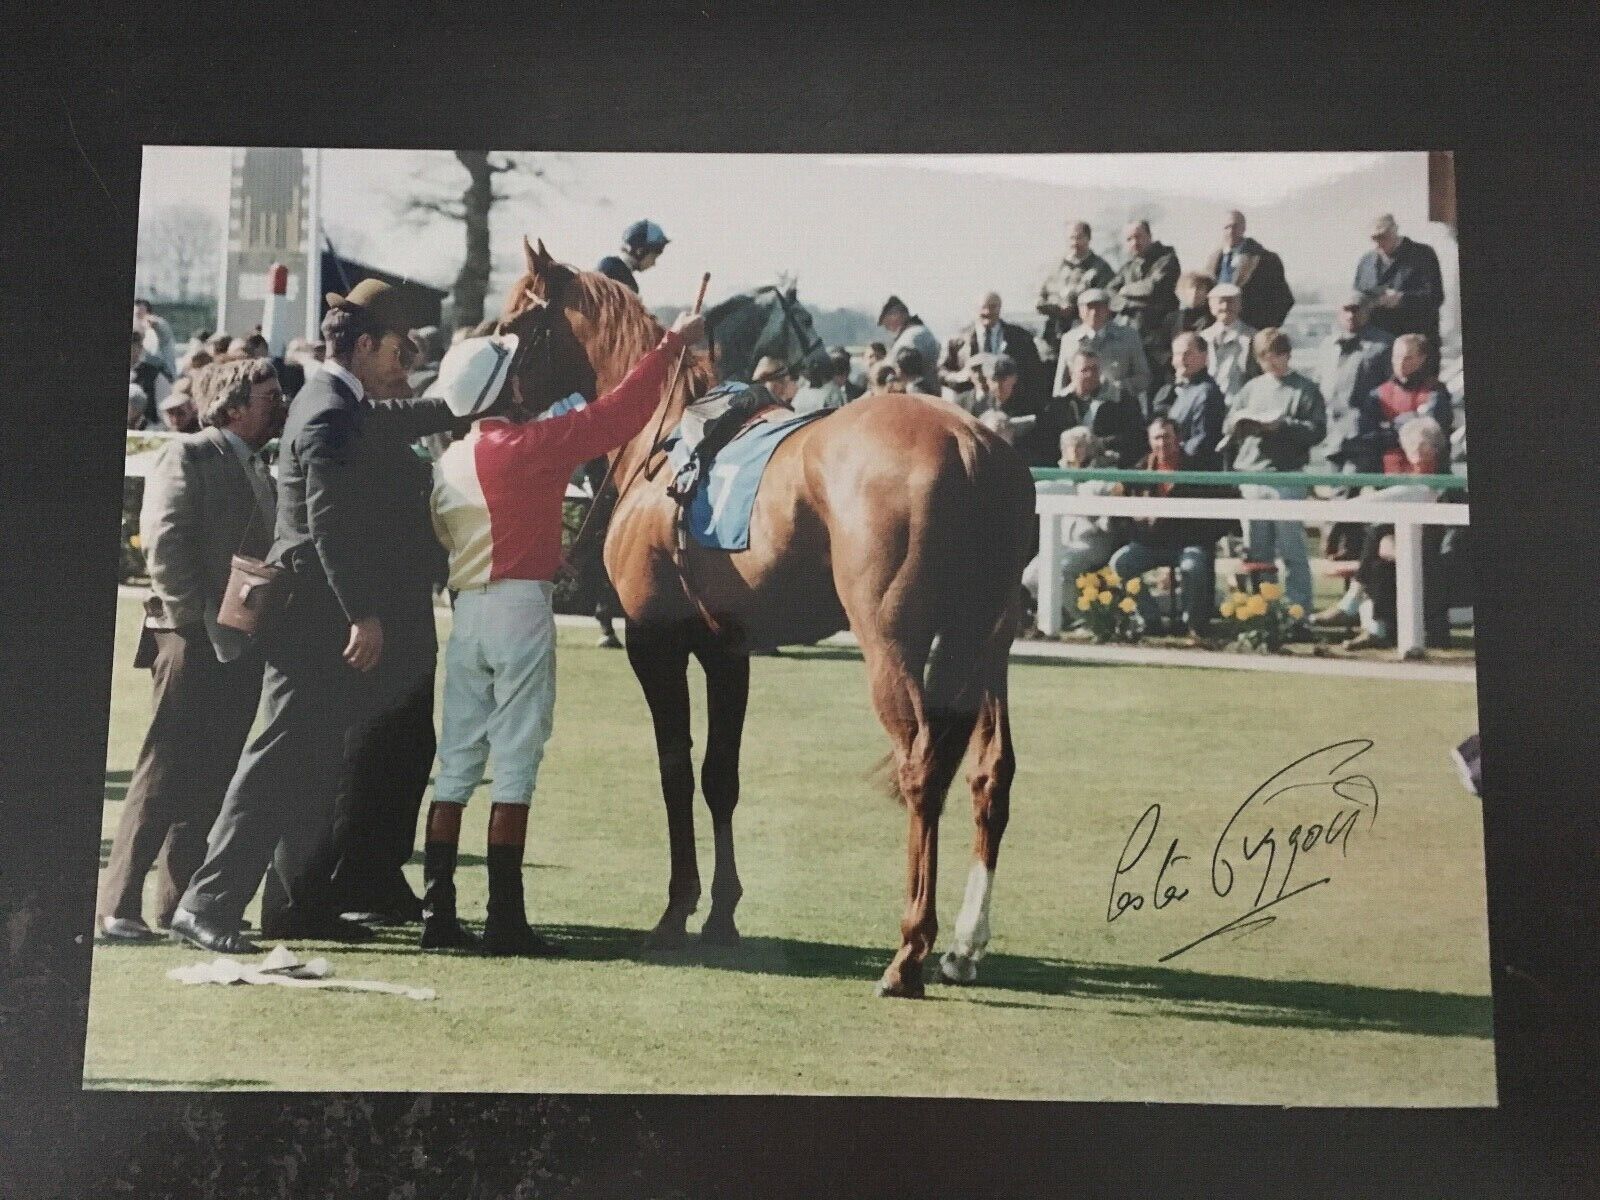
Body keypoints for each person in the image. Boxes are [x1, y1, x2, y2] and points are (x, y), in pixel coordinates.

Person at [169, 279, 466, 955]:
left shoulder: (333, 399)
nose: (405, 356)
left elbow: (395, 420)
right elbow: (327, 528)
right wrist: (363, 615)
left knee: (309, 764)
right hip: (313, 619)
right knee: (275, 761)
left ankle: (295, 906)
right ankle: (207, 903)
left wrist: (471, 403)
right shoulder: (333, 409)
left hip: (314, 616)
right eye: (396, 347)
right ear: (365, 346)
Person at [423, 313, 708, 953]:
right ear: (506, 389)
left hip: (466, 613)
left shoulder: (449, 461)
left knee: (457, 763)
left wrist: (541, 548)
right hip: (520, 612)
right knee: (517, 761)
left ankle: (438, 916)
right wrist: (669, 347)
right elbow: (619, 414)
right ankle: (504, 920)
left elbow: (455, 538)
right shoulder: (532, 445)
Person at [97, 360, 284, 941]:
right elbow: (165, 542)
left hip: (237, 641)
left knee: (211, 774)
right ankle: (115, 906)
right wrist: (191, 627)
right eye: (269, 396)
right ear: (232, 406)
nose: (280, 404)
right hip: (188, 639)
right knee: (164, 767)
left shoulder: (263, 468)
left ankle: (178, 904)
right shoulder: (189, 455)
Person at [1220, 327, 1328, 619]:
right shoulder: (1251, 388)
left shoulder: (1305, 389)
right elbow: (1229, 423)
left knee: (1292, 548)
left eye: (1277, 356)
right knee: (1257, 551)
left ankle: (1298, 609)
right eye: (1265, 358)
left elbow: (1317, 431)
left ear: (1287, 354)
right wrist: (1241, 426)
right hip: (1251, 474)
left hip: (1286, 475)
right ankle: (1262, 608)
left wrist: (1282, 426)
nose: (1272, 363)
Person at [1108, 417, 1232, 636]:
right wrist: (1136, 522)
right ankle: (1150, 619)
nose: (1162, 443)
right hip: (1151, 545)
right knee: (1121, 563)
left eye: (1167, 437)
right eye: (1157, 437)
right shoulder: (1140, 470)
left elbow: (1223, 513)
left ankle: (1193, 624)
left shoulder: (1197, 468)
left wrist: (1201, 536)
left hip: (1189, 545)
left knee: (1193, 566)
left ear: (1178, 439)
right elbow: (1116, 505)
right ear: (1149, 441)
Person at [1344, 417, 1454, 651]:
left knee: (1379, 543)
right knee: (1380, 555)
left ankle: (1357, 602)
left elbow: (1449, 536)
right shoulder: (1413, 482)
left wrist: (1397, 546)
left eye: (1413, 447)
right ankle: (1377, 626)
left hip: (1441, 557)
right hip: (1409, 548)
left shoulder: (1446, 484)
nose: (1409, 454)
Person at [1021, 427, 1120, 629]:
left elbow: (1110, 514)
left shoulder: (1105, 473)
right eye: (1068, 446)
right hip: (1062, 541)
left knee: (1062, 571)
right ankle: (1058, 617)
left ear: (1090, 448)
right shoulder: (1058, 476)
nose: (1073, 450)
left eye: (1079, 445)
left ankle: (1090, 622)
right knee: (1030, 577)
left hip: (1092, 540)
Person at [1344, 334, 1454, 475]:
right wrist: (1410, 423)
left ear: (1421, 359)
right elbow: (1367, 436)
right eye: (1397, 357)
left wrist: (1390, 427)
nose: (1401, 363)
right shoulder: (1378, 394)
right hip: (1390, 473)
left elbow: (1432, 431)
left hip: (1431, 474)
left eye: (1408, 358)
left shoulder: (1435, 391)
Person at [1026, 348, 1145, 469]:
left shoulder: (1122, 402)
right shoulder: (1057, 405)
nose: (1090, 374)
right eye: (1084, 370)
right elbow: (1045, 442)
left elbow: (1135, 437)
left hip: (1108, 468)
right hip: (1064, 469)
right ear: (1072, 373)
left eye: (1094, 369)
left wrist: (1100, 443)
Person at [1316, 292, 1395, 470]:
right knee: (1335, 493)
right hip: (1332, 435)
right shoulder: (1328, 345)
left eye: (1356, 310)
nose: (1351, 315)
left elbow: (1392, 389)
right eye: (1346, 310)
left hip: (1365, 436)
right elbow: (1319, 384)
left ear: (1367, 311)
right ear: (1339, 312)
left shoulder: (1383, 345)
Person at [940, 291, 1046, 415]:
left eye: (993, 307)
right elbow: (941, 372)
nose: (987, 312)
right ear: (975, 309)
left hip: (1013, 409)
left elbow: (1036, 375)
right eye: (983, 307)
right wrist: (960, 376)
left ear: (1000, 308)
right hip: (972, 410)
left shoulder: (1020, 337)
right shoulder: (958, 341)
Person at [1353, 213, 1445, 349]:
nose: (1379, 242)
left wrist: (1401, 299)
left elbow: (1435, 297)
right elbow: (1356, 298)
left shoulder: (1422, 254)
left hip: (1415, 347)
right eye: (1374, 238)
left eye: (1383, 236)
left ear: (1395, 230)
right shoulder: (1366, 262)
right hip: (1376, 347)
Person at [1107, 220, 1181, 384]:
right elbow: (1109, 294)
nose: (1134, 243)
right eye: (1129, 239)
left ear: (1149, 236)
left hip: (1161, 338)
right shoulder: (1128, 267)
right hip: (1135, 337)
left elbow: (1152, 288)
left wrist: (1125, 290)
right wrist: (1127, 304)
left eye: (1138, 237)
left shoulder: (1167, 259)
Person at [1054, 288, 1151, 409]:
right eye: (1089, 307)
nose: (1094, 312)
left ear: (1108, 309)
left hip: (1117, 407)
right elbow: (1060, 383)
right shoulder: (1069, 339)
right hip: (1080, 407)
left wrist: (1117, 387)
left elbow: (1143, 378)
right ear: (1080, 311)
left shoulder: (1128, 337)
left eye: (1099, 307)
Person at [1203, 210, 1294, 331]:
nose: (1231, 231)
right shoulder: (1212, 263)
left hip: (1252, 333)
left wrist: (1263, 330)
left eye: (1235, 226)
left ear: (1244, 228)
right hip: (1218, 334)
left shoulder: (1266, 260)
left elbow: (1284, 299)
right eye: (1226, 227)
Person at [1152, 332, 1229, 471]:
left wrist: (1175, 455)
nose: (1181, 360)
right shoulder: (1180, 391)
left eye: (1187, 354)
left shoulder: (1206, 393)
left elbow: (1202, 441)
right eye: (1177, 354)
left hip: (1193, 473)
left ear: (1204, 356)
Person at [1036, 219, 1115, 347]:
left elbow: (1108, 304)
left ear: (1088, 238)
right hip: (1053, 337)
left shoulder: (1101, 269)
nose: (1074, 243)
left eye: (1079, 238)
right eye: (1071, 238)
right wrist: (1056, 308)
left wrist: (1076, 308)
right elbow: (1038, 299)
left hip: (1086, 340)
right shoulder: (1054, 267)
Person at [1199, 282, 1258, 402]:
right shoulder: (1202, 337)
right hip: (1207, 403)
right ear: (1211, 306)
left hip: (1240, 402)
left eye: (1231, 301)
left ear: (1240, 305)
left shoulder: (1253, 337)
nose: (1225, 307)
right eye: (1220, 302)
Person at [878, 296, 941, 391]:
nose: (887, 327)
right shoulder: (920, 331)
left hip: (915, 393)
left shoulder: (912, 336)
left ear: (896, 314)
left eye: (887, 322)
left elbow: (895, 366)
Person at [597, 219, 669, 293]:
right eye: (654, 257)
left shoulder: (611, 267)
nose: (654, 264)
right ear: (640, 251)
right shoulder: (615, 272)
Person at [1160, 271, 1216, 349]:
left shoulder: (1212, 319)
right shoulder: (1172, 318)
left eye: (1200, 288)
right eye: (1191, 287)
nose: (1195, 292)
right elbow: (1162, 349)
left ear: (1207, 292)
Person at [134, 298, 177, 377]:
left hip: (163, 374)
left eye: (139, 313)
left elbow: (156, 323)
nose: (137, 317)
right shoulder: (138, 332)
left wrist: (147, 320)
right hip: (144, 373)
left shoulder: (160, 325)